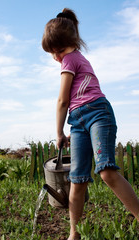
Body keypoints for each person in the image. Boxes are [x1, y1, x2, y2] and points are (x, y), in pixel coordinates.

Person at [42, 8, 139, 240]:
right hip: (78, 122)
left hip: (98, 114)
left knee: (106, 171)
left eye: (59, 50)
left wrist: (58, 132)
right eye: (53, 53)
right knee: (77, 180)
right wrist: (69, 130)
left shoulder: (72, 59)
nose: (57, 57)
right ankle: (74, 234)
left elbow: (62, 100)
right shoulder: (73, 58)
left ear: (70, 44)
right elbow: (70, 103)